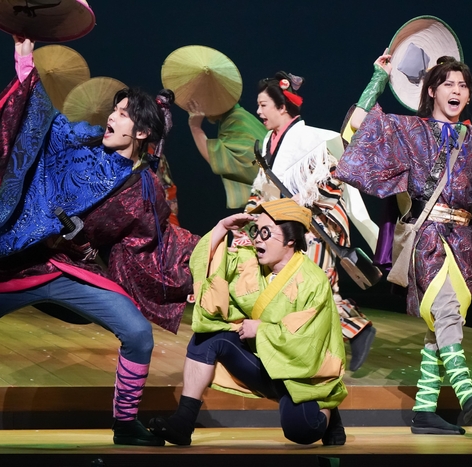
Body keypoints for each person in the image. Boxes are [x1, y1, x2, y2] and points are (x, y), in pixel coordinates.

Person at [0, 37, 198, 448]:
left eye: (122, 113)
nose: (111, 116)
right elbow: (41, 121)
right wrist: (25, 64)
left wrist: (209, 249)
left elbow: (150, 240)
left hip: (73, 271)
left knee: (137, 334)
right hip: (22, 261)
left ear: (142, 131)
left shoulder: (144, 185)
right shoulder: (80, 141)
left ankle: (126, 424)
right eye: (113, 109)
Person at [336, 51, 472, 435]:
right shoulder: (408, 131)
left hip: (465, 244)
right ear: (432, 91)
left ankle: (424, 411)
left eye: (463, 86)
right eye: (448, 84)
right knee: (447, 309)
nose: (457, 91)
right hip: (427, 238)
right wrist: (377, 80)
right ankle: (467, 394)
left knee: (442, 323)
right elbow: (358, 127)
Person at [148, 198, 347, 445]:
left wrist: (262, 330)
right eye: (256, 231)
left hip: (301, 376)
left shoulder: (312, 281)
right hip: (265, 363)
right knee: (208, 335)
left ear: (290, 239)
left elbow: (308, 345)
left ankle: (328, 407)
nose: (258, 240)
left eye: (266, 233)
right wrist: (222, 227)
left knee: (301, 431)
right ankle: (183, 421)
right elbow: (210, 266)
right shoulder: (250, 262)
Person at [242, 71, 377, 372]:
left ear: (282, 107)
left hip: (319, 224)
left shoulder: (311, 139)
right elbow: (263, 185)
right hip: (287, 225)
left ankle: (354, 331)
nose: (258, 111)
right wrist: (250, 214)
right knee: (304, 286)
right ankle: (349, 331)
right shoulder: (267, 143)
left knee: (317, 285)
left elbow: (333, 182)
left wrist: (300, 206)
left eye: (263, 105)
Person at [186, 100, 268, 209]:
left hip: (271, 199)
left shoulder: (236, 120)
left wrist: (195, 127)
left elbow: (219, 160)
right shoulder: (238, 116)